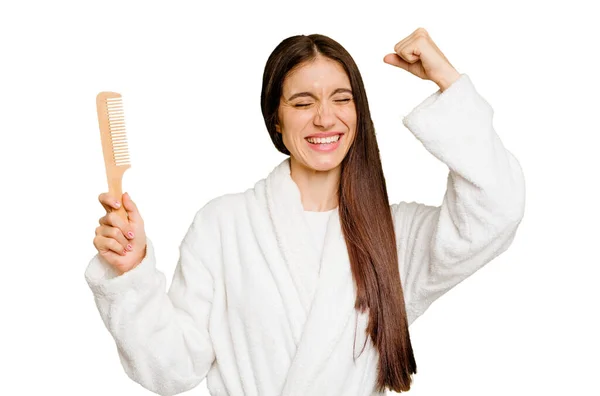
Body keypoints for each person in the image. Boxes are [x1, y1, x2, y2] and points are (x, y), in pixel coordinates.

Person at [86, 28, 526, 396]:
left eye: (342, 99)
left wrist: (447, 80)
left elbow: (496, 209)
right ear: (275, 118)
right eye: (302, 103)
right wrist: (132, 275)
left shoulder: (395, 235)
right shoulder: (224, 226)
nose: (325, 118)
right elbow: (171, 368)